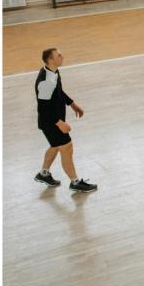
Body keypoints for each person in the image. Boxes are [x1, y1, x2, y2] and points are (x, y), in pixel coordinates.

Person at [34, 48, 98, 192]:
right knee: (66, 147)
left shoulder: (53, 72)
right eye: (58, 55)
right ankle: (75, 182)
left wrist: (72, 104)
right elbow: (42, 109)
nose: (62, 56)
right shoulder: (46, 82)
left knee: (56, 146)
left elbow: (58, 91)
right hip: (50, 122)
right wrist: (59, 122)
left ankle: (43, 174)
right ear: (50, 60)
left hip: (52, 121)